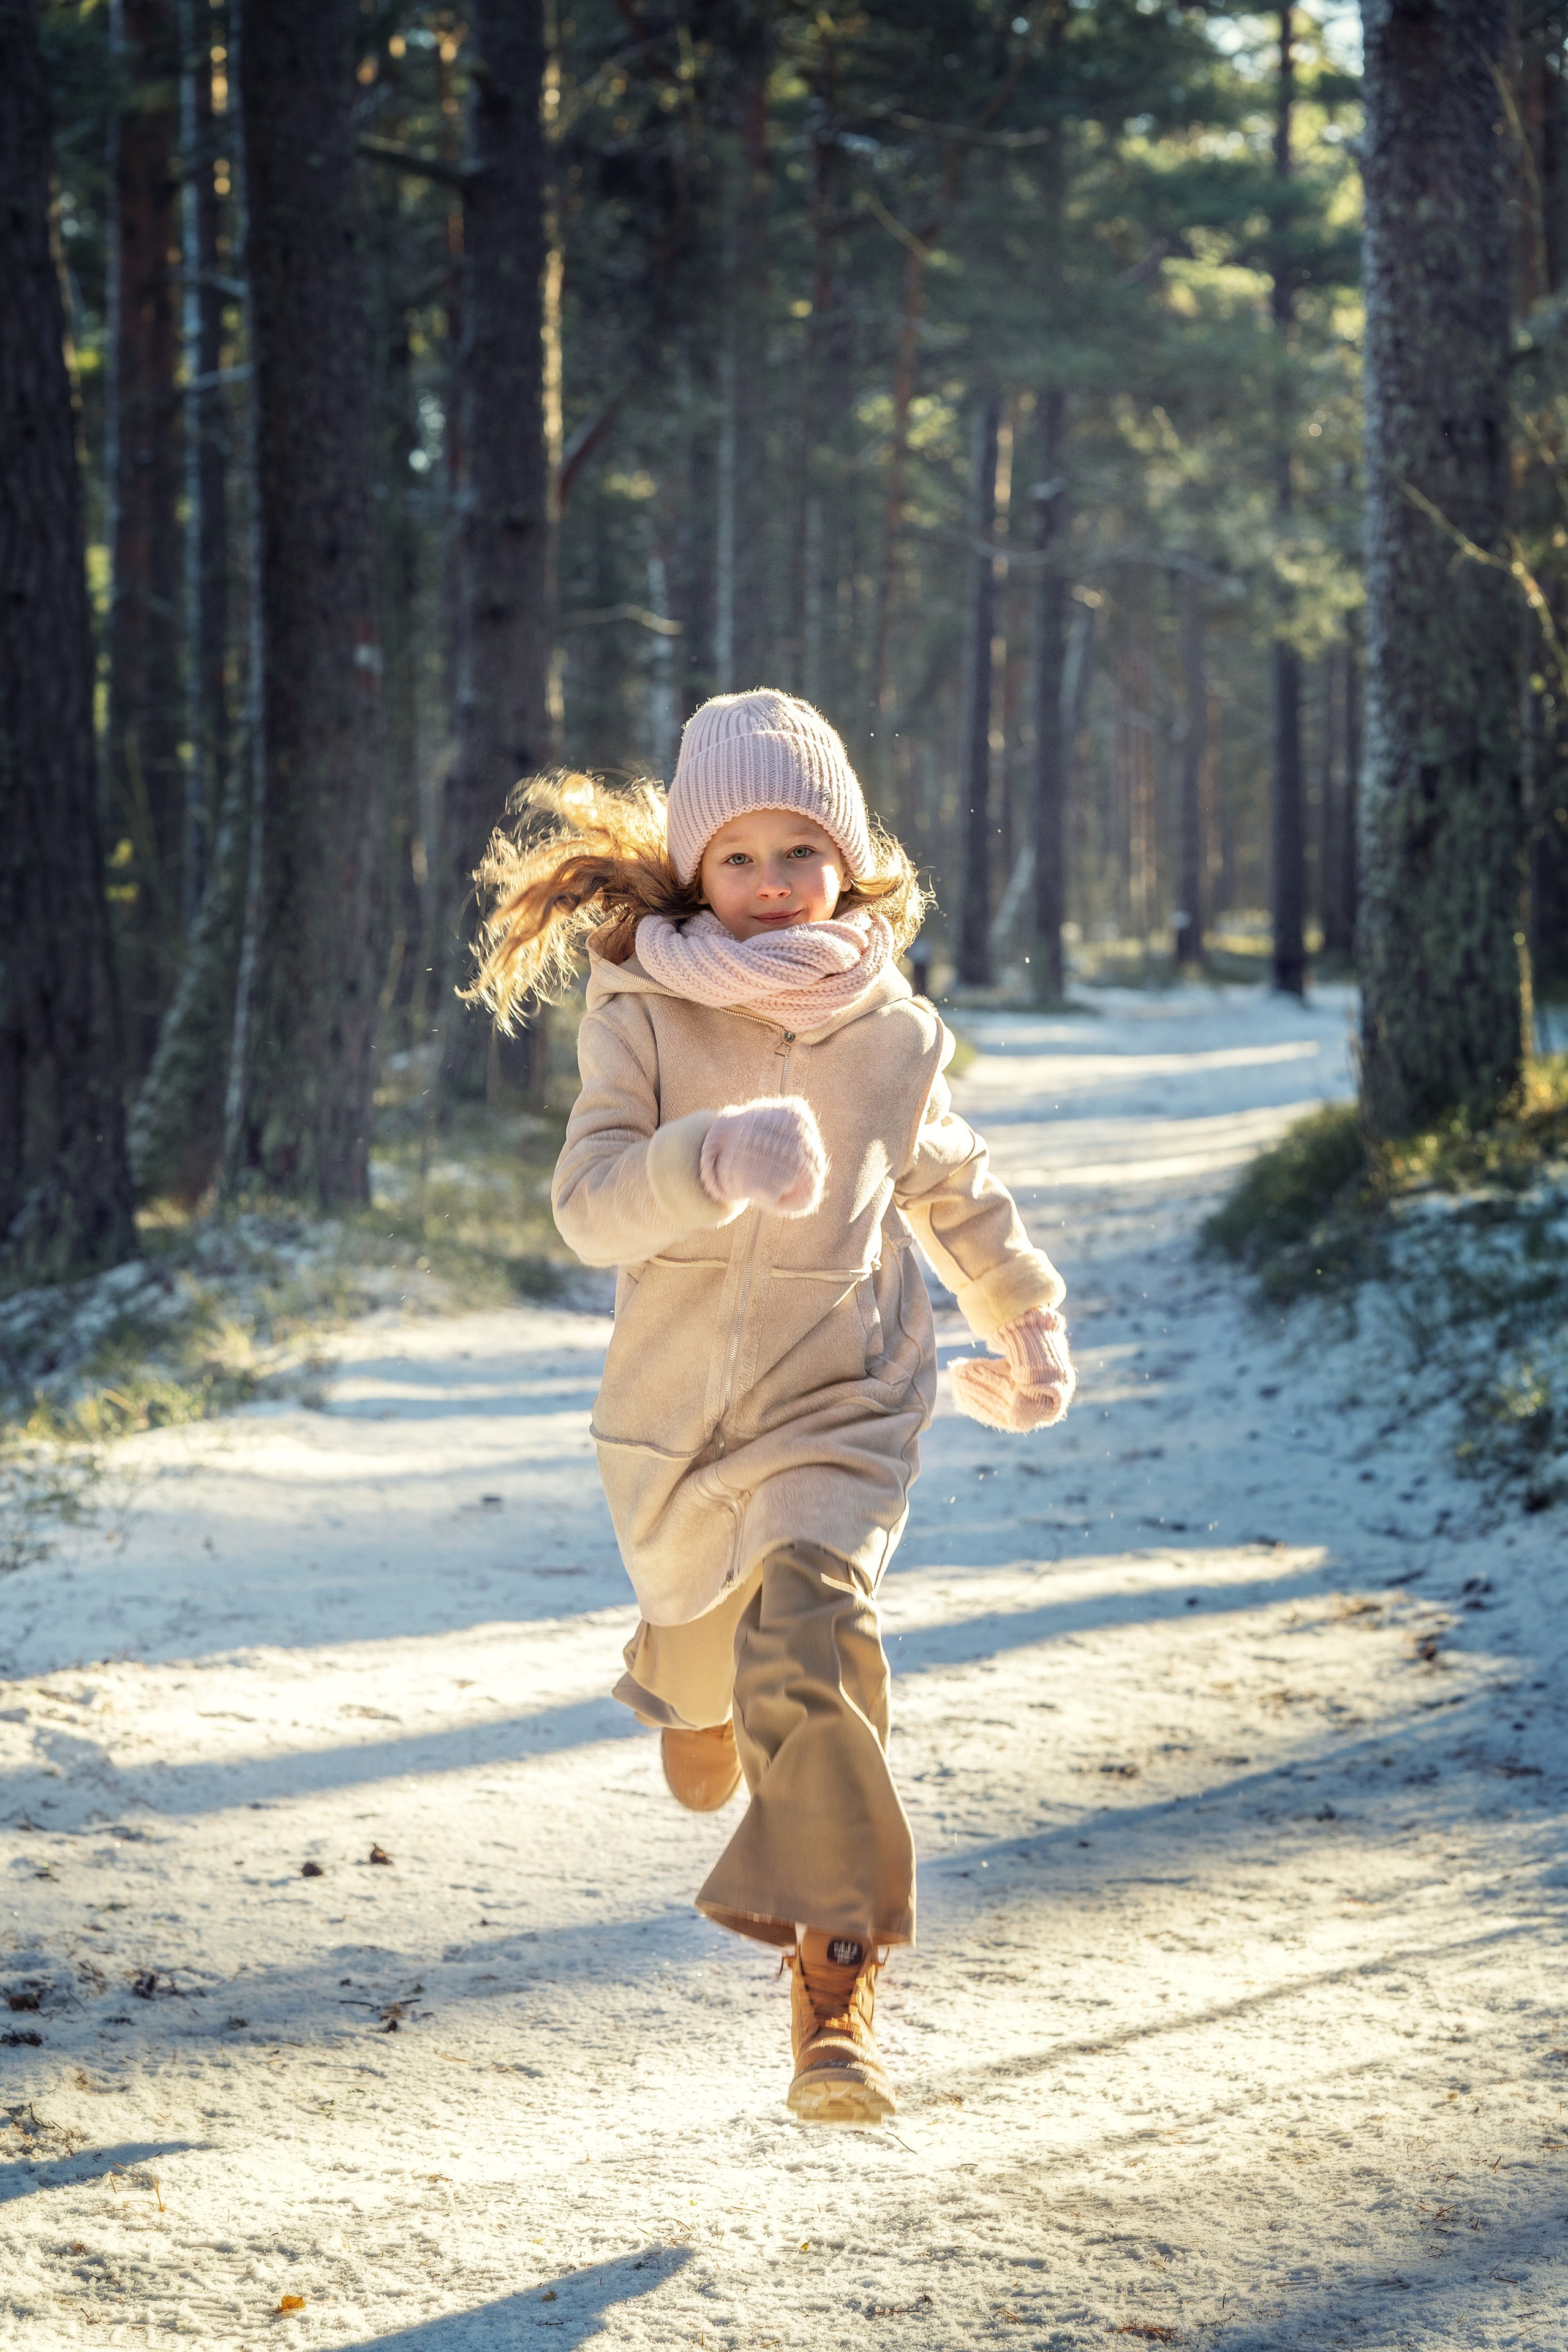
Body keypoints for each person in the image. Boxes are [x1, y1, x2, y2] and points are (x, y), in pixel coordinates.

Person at [468, 688, 1074, 2124]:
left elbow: (950, 1187)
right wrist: (709, 1157)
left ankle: (834, 1992)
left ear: (848, 858)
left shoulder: (893, 1034)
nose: (767, 888)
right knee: (705, 1657)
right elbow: (587, 1209)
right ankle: (681, 1680)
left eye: (797, 851)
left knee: (812, 1645)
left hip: (839, 1407)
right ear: (691, 869)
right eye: (734, 858)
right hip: (676, 1427)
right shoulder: (640, 1015)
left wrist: (1024, 1317)